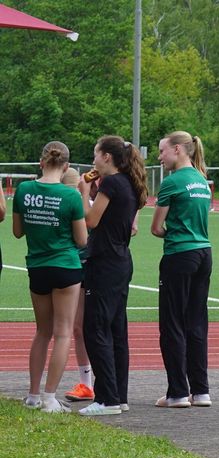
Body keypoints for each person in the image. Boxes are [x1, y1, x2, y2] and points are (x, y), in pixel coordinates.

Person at [71, 136, 147, 415]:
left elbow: (91, 220)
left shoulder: (112, 183)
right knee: (116, 331)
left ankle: (107, 399)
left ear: (107, 157)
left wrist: (83, 192)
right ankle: (118, 395)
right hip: (120, 261)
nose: (93, 161)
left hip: (104, 263)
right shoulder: (128, 182)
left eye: (95, 154)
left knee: (96, 329)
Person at [13, 141, 87, 413]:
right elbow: (82, 240)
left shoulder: (23, 189)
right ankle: (50, 398)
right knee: (63, 332)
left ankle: (33, 395)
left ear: (41, 162)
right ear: (66, 166)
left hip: (37, 266)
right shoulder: (70, 196)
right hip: (65, 266)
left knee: (42, 332)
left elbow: (18, 232)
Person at [151, 130, 213, 409]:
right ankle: (200, 391)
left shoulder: (172, 182)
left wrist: (174, 233)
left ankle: (177, 392)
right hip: (204, 253)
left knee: (172, 324)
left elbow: (156, 228)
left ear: (177, 149)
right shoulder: (202, 180)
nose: (159, 157)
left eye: (162, 151)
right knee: (196, 323)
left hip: (179, 255)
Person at [61, 167, 94, 404]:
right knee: (77, 328)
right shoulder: (62, 203)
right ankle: (86, 383)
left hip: (92, 268)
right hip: (73, 269)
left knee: (90, 327)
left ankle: (99, 382)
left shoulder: (89, 204)